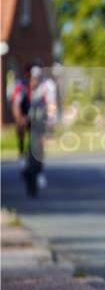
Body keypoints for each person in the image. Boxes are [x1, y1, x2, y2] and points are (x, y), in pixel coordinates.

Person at [23, 65, 57, 196]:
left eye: (37, 78)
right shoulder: (25, 87)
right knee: (30, 146)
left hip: (41, 121)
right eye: (33, 78)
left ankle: (39, 171)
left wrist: (50, 123)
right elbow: (19, 104)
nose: (34, 80)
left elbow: (51, 105)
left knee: (40, 146)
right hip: (29, 121)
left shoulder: (47, 87)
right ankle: (27, 166)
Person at [10, 64, 31, 163]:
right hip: (23, 111)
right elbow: (16, 104)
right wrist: (19, 119)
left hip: (34, 113)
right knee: (21, 130)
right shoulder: (21, 85)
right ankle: (22, 153)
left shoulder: (41, 84)